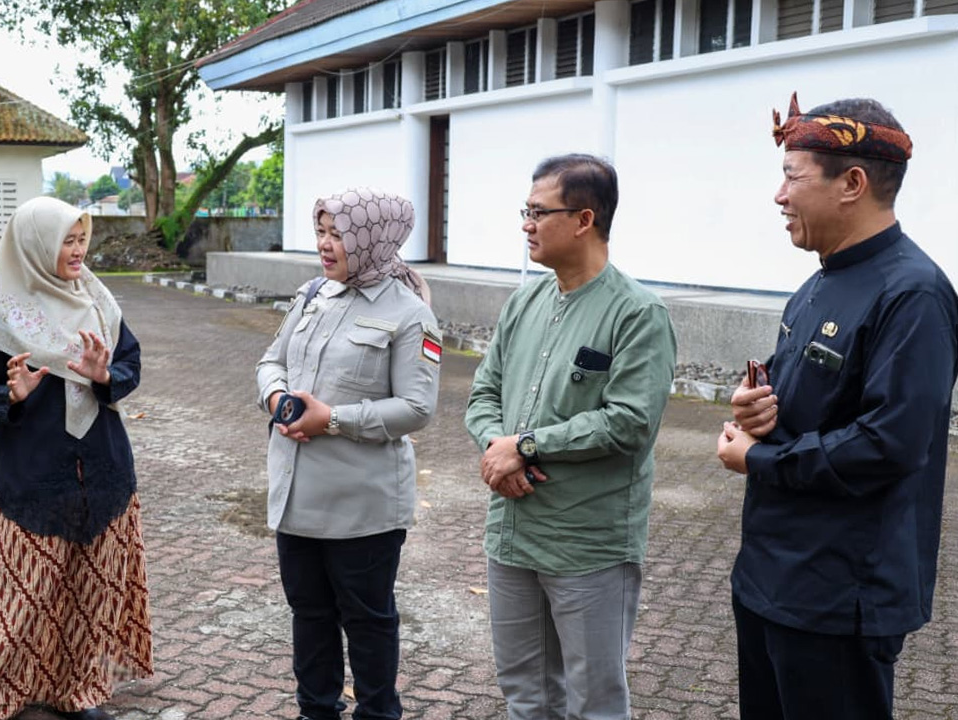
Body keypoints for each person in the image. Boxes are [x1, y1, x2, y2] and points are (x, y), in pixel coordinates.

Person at [717, 94, 958, 719]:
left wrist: (760, 460)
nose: (778, 196)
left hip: (839, 595)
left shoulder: (913, 295)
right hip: (770, 577)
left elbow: (890, 443)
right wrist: (755, 408)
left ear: (852, 183)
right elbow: (805, 402)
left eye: (791, 177)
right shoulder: (818, 282)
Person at [464, 154, 677, 720]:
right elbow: (483, 394)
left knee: (594, 701)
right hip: (513, 533)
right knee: (526, 694)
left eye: (539, 212)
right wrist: (498, 448)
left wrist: (525, 447)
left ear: (584, 220)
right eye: (525, 211)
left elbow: (629, 421)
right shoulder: (525, 300)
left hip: (586, 544)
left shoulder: (637, 313)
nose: (526, 224)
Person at [0, 196, 153, 720]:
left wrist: (105, 375)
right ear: (37, 246)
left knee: (94, 595)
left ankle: (79, 693)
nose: (78, 250)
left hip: (103, 472)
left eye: (82, 239)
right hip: (36, 478)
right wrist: (11, 394)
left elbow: (130, 363)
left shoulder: (96, 300)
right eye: (67, 240)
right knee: (20, 600)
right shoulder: (5, 310)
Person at [256, 188, 441, 720]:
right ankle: (316, 711)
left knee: (367, 620)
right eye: (321, 232)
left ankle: (379, 713)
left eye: (338, 234)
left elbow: (416, 408)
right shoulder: (313, 294)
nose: (325, 244)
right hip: (298, 495)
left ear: (372, 238)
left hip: (363, 506)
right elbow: (271, 361)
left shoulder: (410, 314)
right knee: (309, 613)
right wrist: (278, 399)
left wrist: (332, 419)